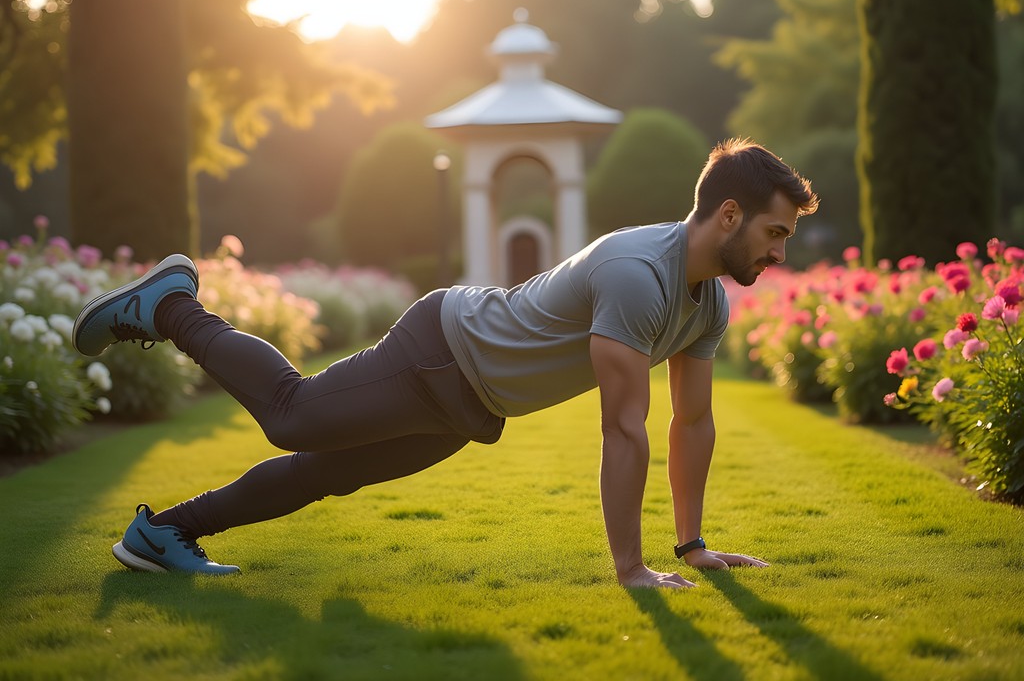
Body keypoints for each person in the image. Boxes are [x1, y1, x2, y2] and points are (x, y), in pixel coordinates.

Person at [73, 138, 818, 588]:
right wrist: (632, 570)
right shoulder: (637, 273)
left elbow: (693, 424)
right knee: (293, 418)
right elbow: (625, 431)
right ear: (728, 215)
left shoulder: (706, 304)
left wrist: (691, 546)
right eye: (773, 232)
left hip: (472, 404)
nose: (779, 254)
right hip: (443, 349)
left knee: (328, 470)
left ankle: (163, 534)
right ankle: (172, 305)